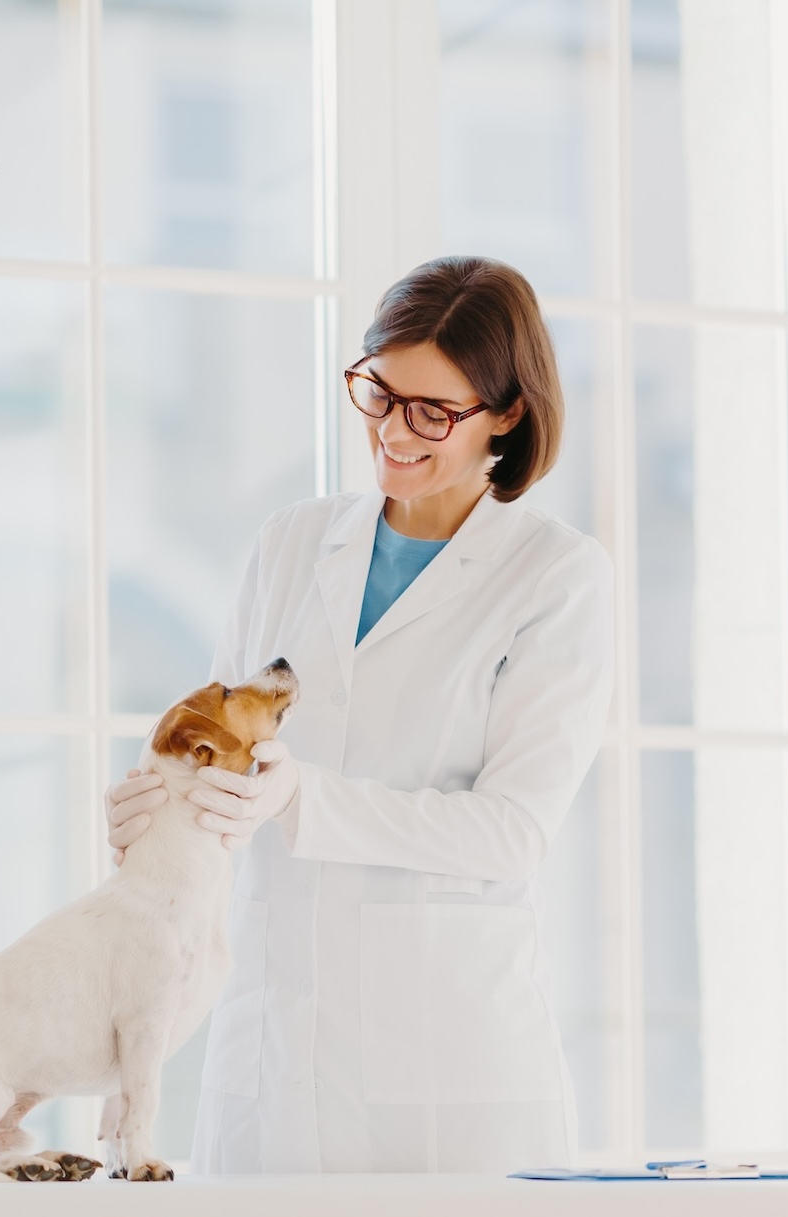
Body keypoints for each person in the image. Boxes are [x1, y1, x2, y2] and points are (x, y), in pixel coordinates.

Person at [105, 256, 615, 1173]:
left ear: (506, 412)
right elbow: (225, 756)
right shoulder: (291, 543)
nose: (392, 429)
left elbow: (512, 831)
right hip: (273, 1047)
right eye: (378, 393)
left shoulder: (554, 576)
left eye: (432, 411)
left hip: (446, 1061)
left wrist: (303, 800)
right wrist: (159, 807)